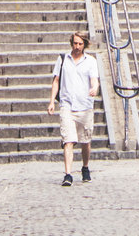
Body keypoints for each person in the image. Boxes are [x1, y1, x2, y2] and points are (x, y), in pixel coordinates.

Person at [47, 31, 99, 186]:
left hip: (85, 106)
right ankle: (68, 174)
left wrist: (94, 88)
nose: (77, 47)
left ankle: (85, 167)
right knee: (68, 140)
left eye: (80, 44)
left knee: (85, 141)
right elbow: (56, 81)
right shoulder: (63, 59)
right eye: (75, 43)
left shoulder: (90, 61)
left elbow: (94, 80)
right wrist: (51, 102)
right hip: (67, 105)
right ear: (72, 43)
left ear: (85, 45)